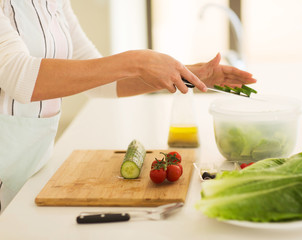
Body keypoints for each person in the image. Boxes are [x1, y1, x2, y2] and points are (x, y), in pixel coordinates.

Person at [0, 0, 256, 211]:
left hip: (32, 164)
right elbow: (20, 78)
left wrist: (189, 74)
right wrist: (137, 60)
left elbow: (100, 81)